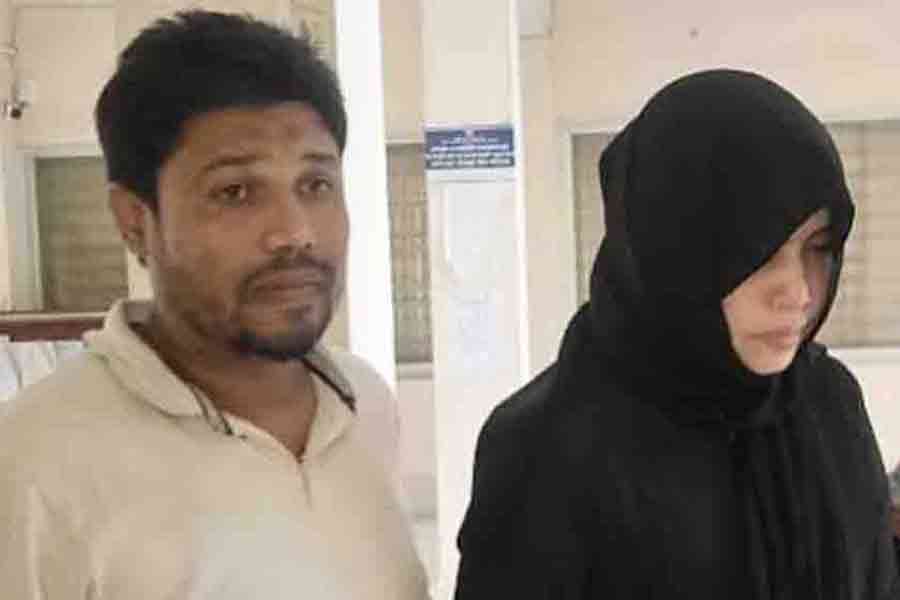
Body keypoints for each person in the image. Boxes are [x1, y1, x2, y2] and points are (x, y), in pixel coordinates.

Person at [0, 10, 427, 599]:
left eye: (316, 185)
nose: (295, 232)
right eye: (236, 192)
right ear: (134, 221)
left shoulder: (363, 405)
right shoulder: (33, 463)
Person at [454, 70, 899, 599]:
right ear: (672, 245)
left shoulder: (827, 404)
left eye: (817, 249)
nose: (798, 292)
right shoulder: (546, 447)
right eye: (757, 252)